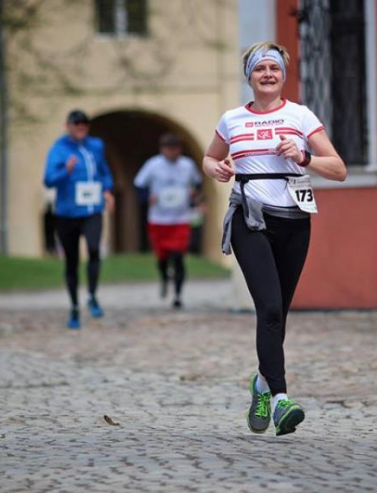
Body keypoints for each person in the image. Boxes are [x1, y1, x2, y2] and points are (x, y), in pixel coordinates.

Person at [203, 42, 347, 436]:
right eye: (260, 68)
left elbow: (338, 169)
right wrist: (218, 168)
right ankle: (281, 398)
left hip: (295, 220)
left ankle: (261, 384)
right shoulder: (232, 119)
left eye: (274, 68)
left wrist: (303, 157)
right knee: (267, 307)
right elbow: (209, 157)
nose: (268, 74)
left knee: (278, 313)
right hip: (250, 217)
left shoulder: (300, 116)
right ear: (248, 76)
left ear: (284, 75)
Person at [43, 109, 115, 329]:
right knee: (71, 260)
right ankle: (74, 306)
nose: (81, 127)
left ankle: (92, 295)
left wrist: (107, 190)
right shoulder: (59, 149)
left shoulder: (96, 146)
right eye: (76, 124)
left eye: (84, 124)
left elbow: (104, 171)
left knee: (94, 249)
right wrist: (66, 170)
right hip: (67, 213)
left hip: (92, 209)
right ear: (68, 125)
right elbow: (48, 180)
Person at [134, 133, 203, 308]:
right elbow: (139, 185)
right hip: (159, 219)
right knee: (163, 257)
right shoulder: (153, 165)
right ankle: (164, 277)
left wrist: (194, 194)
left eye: (176, 149)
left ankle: (178, 295)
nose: (173, 153)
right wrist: (147, 198)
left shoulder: (187, 165)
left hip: (180, 218)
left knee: (179, 257)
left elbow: (198, 183)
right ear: (163, 149)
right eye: (169, 149)